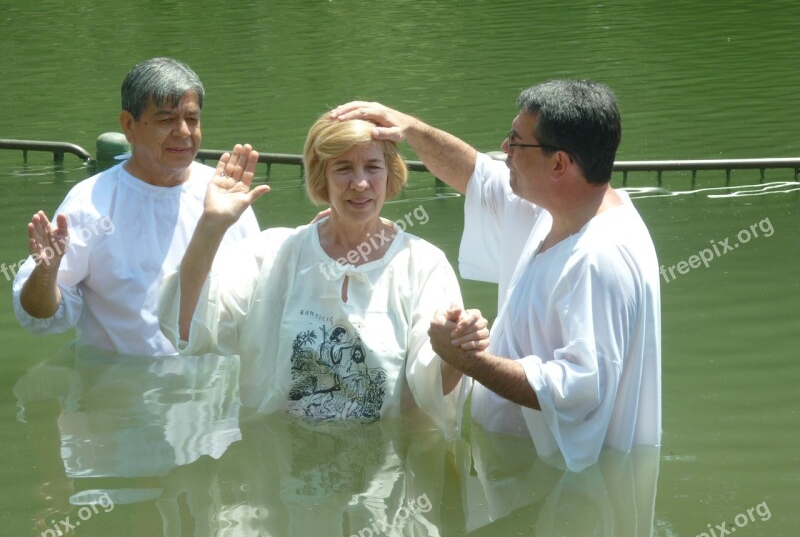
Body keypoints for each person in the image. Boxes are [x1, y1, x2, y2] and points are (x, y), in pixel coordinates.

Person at [330, 80, 661, 471]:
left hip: (569, 490)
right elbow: (475, 175)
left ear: (558, 164)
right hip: (519, 472)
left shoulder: (601, 257)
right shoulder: (553, 207)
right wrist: (409, 128)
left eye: (516, 142)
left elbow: (581, 388)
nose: (504, 149)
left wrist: (467, 360)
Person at [158, 115, 489, 432]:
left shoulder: (423, 264)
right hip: (280, 465)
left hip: (383, 474)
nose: (360, 184)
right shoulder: (273, 254)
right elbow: (185, 330)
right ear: (321, 176)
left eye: (373, 167)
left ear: (390, 174)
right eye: (343, 168)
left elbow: (431, 389)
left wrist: (457, 353)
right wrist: (211, 226)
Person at [12, 57, 260, 356]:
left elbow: (259, 296)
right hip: (122, 387)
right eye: (166, 120)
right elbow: (40, 316)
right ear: (129, 125)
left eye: (191, 119)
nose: (183, 131)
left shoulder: (225, 195)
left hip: (213, 390)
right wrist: (47, 273)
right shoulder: (92, 203)